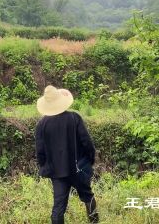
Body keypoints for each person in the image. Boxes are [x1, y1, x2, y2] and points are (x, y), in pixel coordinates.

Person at [35, 85, 99, 224]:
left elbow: (40, 152)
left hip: (56, 172)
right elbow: (86, 142)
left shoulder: (42, 124)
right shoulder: (74, 118)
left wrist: (46, 166)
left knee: (58, 206)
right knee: (88, 197)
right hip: (77, 168)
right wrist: (90, 160)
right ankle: (94, 222)